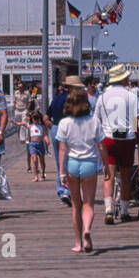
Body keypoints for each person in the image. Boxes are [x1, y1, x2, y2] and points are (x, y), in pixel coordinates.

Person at [55, 87, 107, 253]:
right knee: (89, 204)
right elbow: (101, 146)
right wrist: (105, 165)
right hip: (89, 164)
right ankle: (87, 230)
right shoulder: (94, 122)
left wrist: (61, 172)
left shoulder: (64, 123)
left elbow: (62, 150)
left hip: (72, 165)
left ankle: (78, 243)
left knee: (76, 205)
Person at [95, 65, 139, 224]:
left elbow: (97, 120)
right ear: (122, 79)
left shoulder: (102, 97)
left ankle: (108, 209)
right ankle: (124, 210)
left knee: (109, 175)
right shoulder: (132, 96)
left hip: (108, 138)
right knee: (126, 177)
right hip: (127, 139)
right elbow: (138, 120)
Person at [47, 78, 80, 206]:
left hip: (56, 128)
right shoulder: (74, 100)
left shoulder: (56, 99)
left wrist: (54, 128)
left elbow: (45, 117)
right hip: (70, 128)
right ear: (72, 88)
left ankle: (62, 190)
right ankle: (68, 191)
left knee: (59, 162)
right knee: (71, 161)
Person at [12, 80, 32, 171]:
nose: (19, 88)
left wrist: (27, 110)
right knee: (17, 125)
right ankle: (19, 135)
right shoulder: (15, 93)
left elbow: (29, 102)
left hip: (24, 110)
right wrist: (14, 107)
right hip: (17, 110)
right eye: (18, 86)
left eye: (20, 86)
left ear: (23, 87)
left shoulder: (27, 93)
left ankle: (23, 138)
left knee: (23, 125)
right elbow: (14, 101)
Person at [27, 111, 49, 181]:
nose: (36, 120)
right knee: (34, 160)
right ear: (32, 119)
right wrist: (29, 143)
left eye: (37, 118)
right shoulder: (30, 126)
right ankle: (35, 176)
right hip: (33, 144)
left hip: (40, 144)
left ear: (39, 118)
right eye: (34, 118)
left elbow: (45, 134)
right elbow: (29, 136)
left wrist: (47, 140)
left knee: (42, 161)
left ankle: (43, 174)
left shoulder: (42, 126)